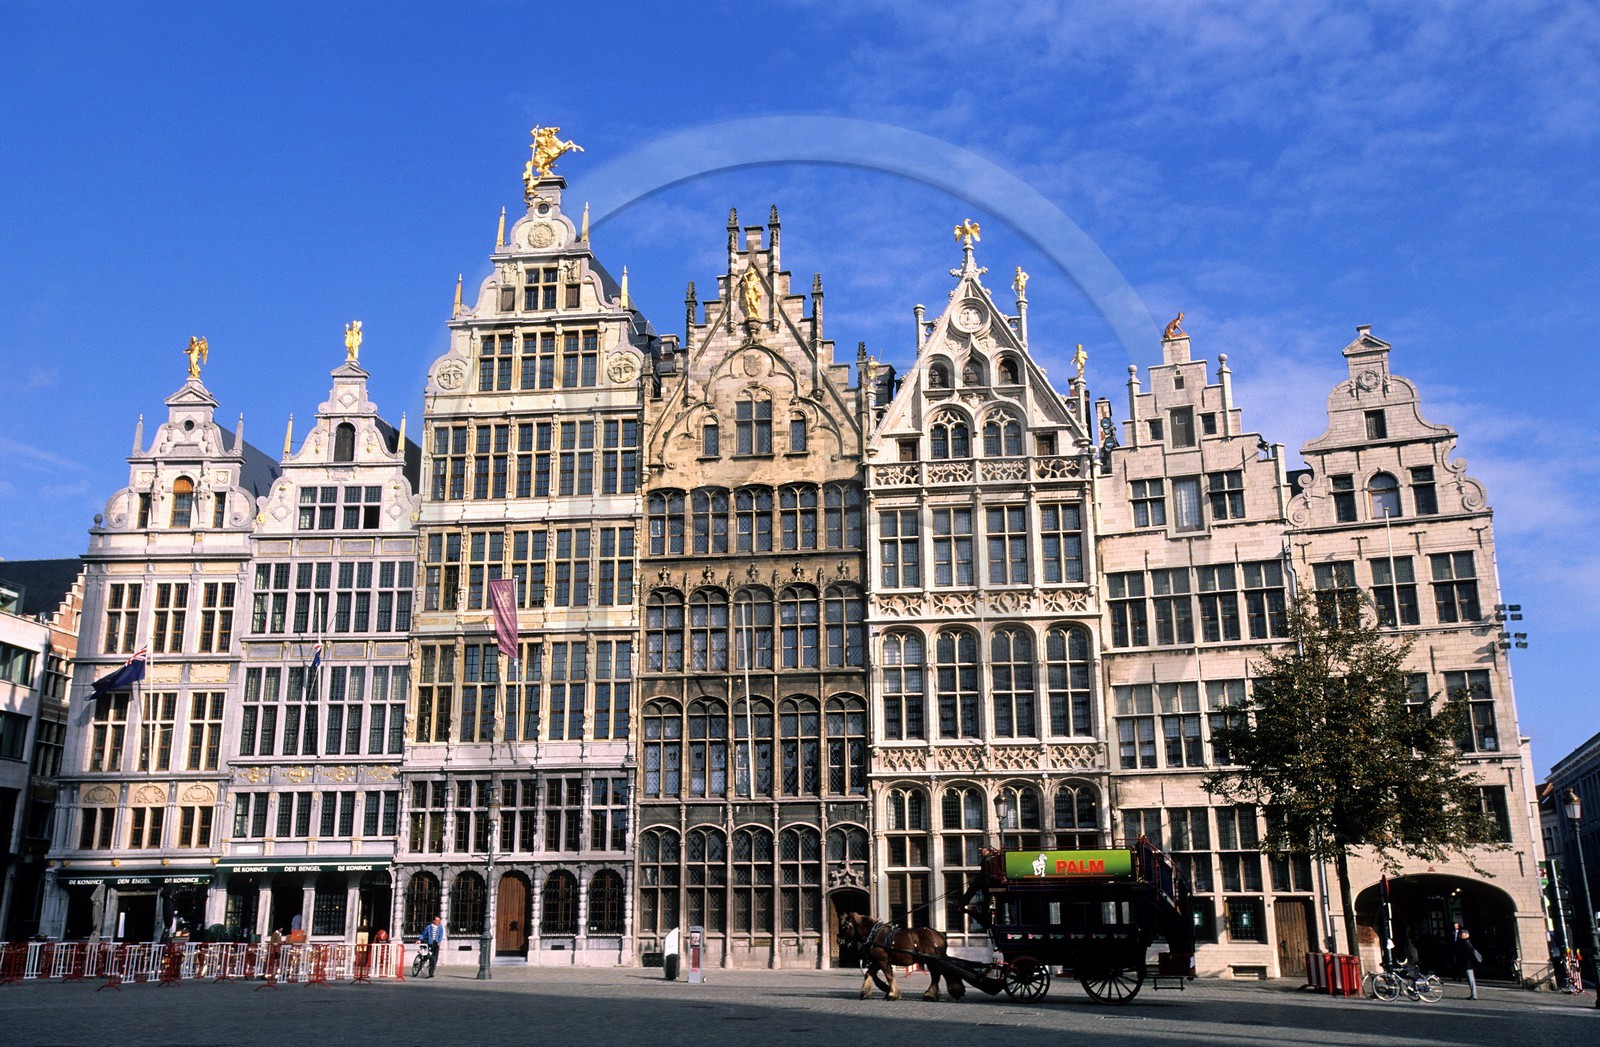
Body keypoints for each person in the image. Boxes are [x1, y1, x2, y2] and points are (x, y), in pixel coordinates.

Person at [1457, 929, 1481, 999]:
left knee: (1470, 979)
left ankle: (1474, 995)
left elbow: (1471, 953)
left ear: (1465, 935)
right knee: (1470, 979)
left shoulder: (1466, 942)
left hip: (1468, 964)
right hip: (1468, 963)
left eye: (1461, 935)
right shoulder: (1466, 942)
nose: (1460, 936)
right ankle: (1473, 994)